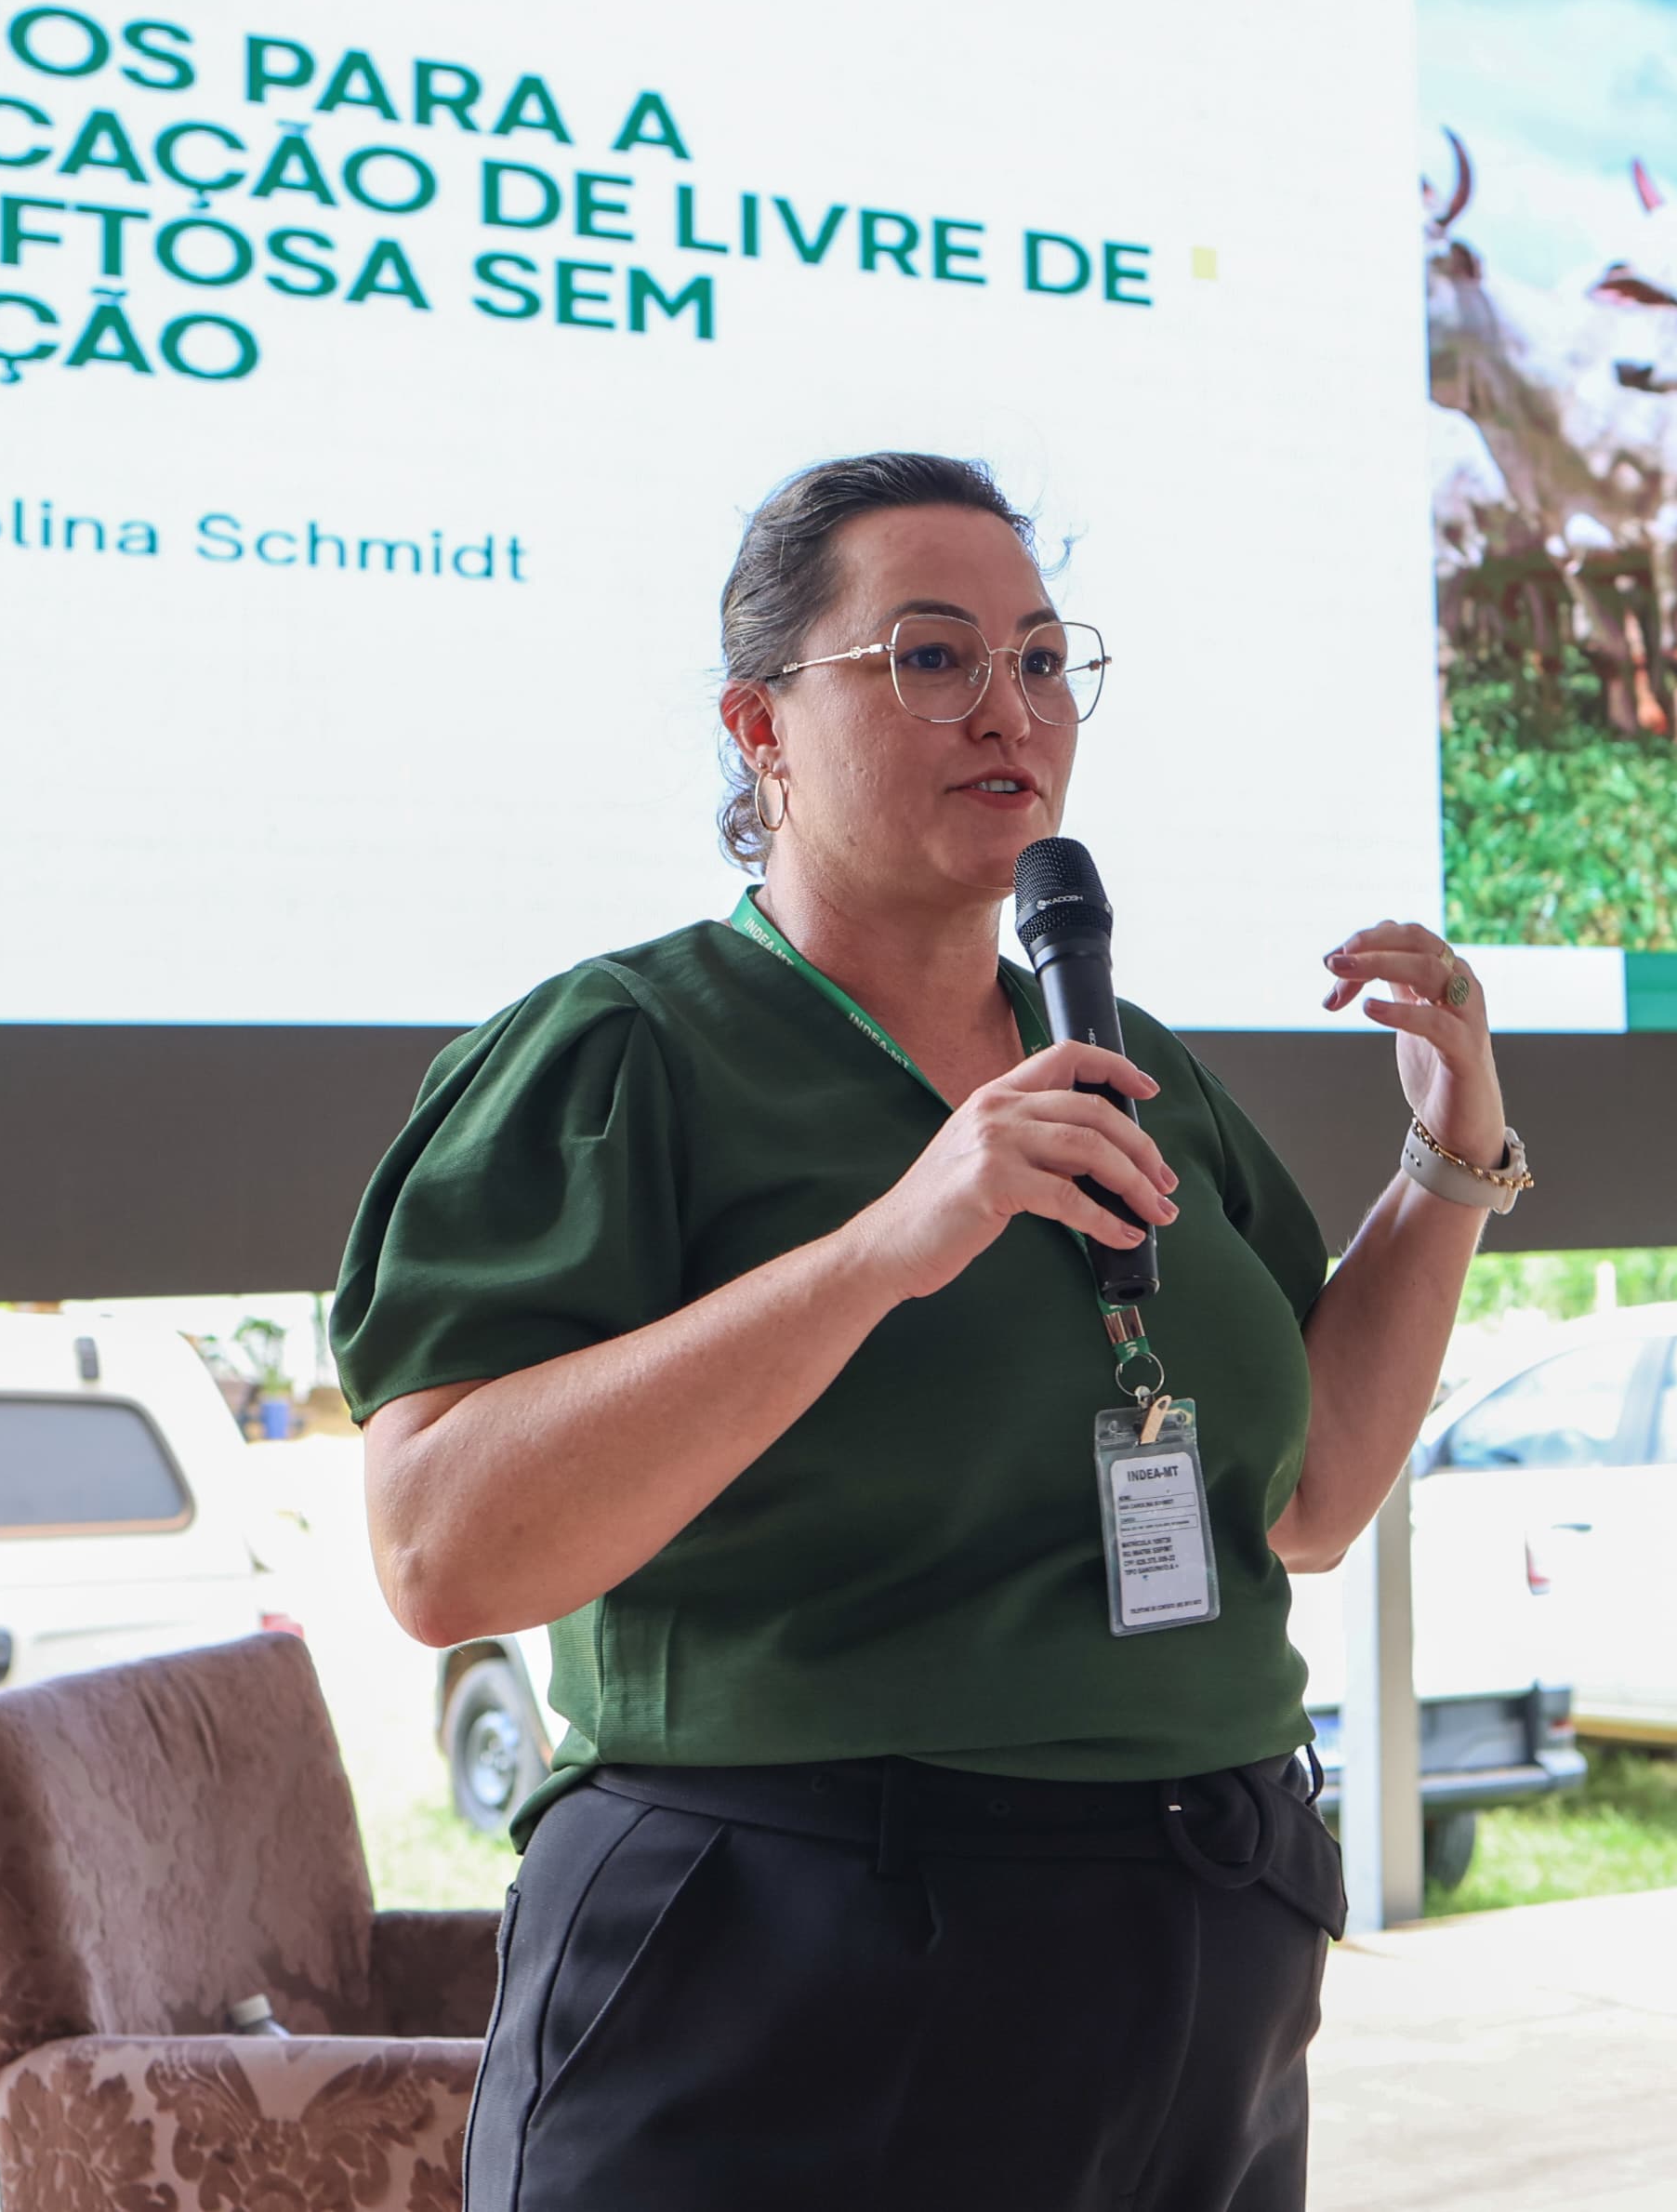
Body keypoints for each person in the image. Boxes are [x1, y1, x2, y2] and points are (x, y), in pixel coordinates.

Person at [332, 451, 1530, 2211]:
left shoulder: (1129, 1066)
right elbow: (442, 1550)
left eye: (1045, 660)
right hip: (791, 1960)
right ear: (763, 726)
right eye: (931, 656)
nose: (1010, 709)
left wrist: (1446, 1151)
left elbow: (1314, 1497)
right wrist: (893, 1239)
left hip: (1196, 1948)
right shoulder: (624, 1052)